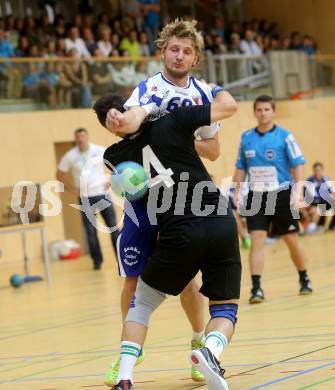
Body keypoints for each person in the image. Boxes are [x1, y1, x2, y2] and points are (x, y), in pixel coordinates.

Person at [93, 89, 240, 390]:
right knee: (225, 306)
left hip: (175, 223)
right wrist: (212, 92)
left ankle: (127, 375)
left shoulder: (116, 155)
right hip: (217, 217)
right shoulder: (176, 118)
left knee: (144, 302)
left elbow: (211, 150)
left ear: (131, 110)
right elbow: (227, 110)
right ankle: (208, 351)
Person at [103, 18, 222, 386]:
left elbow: (214, 151)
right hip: (144, 200)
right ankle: (127, 355)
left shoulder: (203, 96)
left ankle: (199, 341)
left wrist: (179, 137)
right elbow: (126, 125)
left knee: (188, 283)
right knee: (132, 281)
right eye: (174, 48)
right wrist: (116, 119)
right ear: (163, 51)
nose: (179, 55)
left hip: (183, 199)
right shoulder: (146, 89)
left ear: (195, 58)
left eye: (187, 51)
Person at [233, 94, 313, 304]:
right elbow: (241, 167)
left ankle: (304, 277)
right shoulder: (246, 137)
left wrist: (298, 192)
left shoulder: (285, 136)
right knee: (257, 239)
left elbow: (297, 164)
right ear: (254, 112)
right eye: (259, 110)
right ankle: (256, 288)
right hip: (255, 196)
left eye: (267, 109)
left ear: (273, 112)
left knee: (290, 239)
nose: (263, 113)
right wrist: (237, 192)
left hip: (280, 194)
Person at [56, 128, 119, 270]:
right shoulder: (70, 156)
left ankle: (120, 258)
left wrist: (111, 180)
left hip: (102, 194)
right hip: (85, 198)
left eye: (83, 136)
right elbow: (60, 174)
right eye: (77, 137)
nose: (80, 139)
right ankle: (97, 261)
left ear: (87, 136)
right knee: (90, 231)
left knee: (113, 227)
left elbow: (115, 164)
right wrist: (72, 189)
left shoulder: (99, 150)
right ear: (75, 139)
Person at [305, 162, 335, 232]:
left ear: (322, 171)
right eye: (316, 171)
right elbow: (311, 196)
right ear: (314, 171)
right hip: (316, 203)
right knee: (321, 204)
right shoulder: (310, 181)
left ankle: (333, 225)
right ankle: (319, 225)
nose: (318, 172)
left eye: (320, 170)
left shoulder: (326, 179)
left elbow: (332, 191)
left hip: (325, 201)